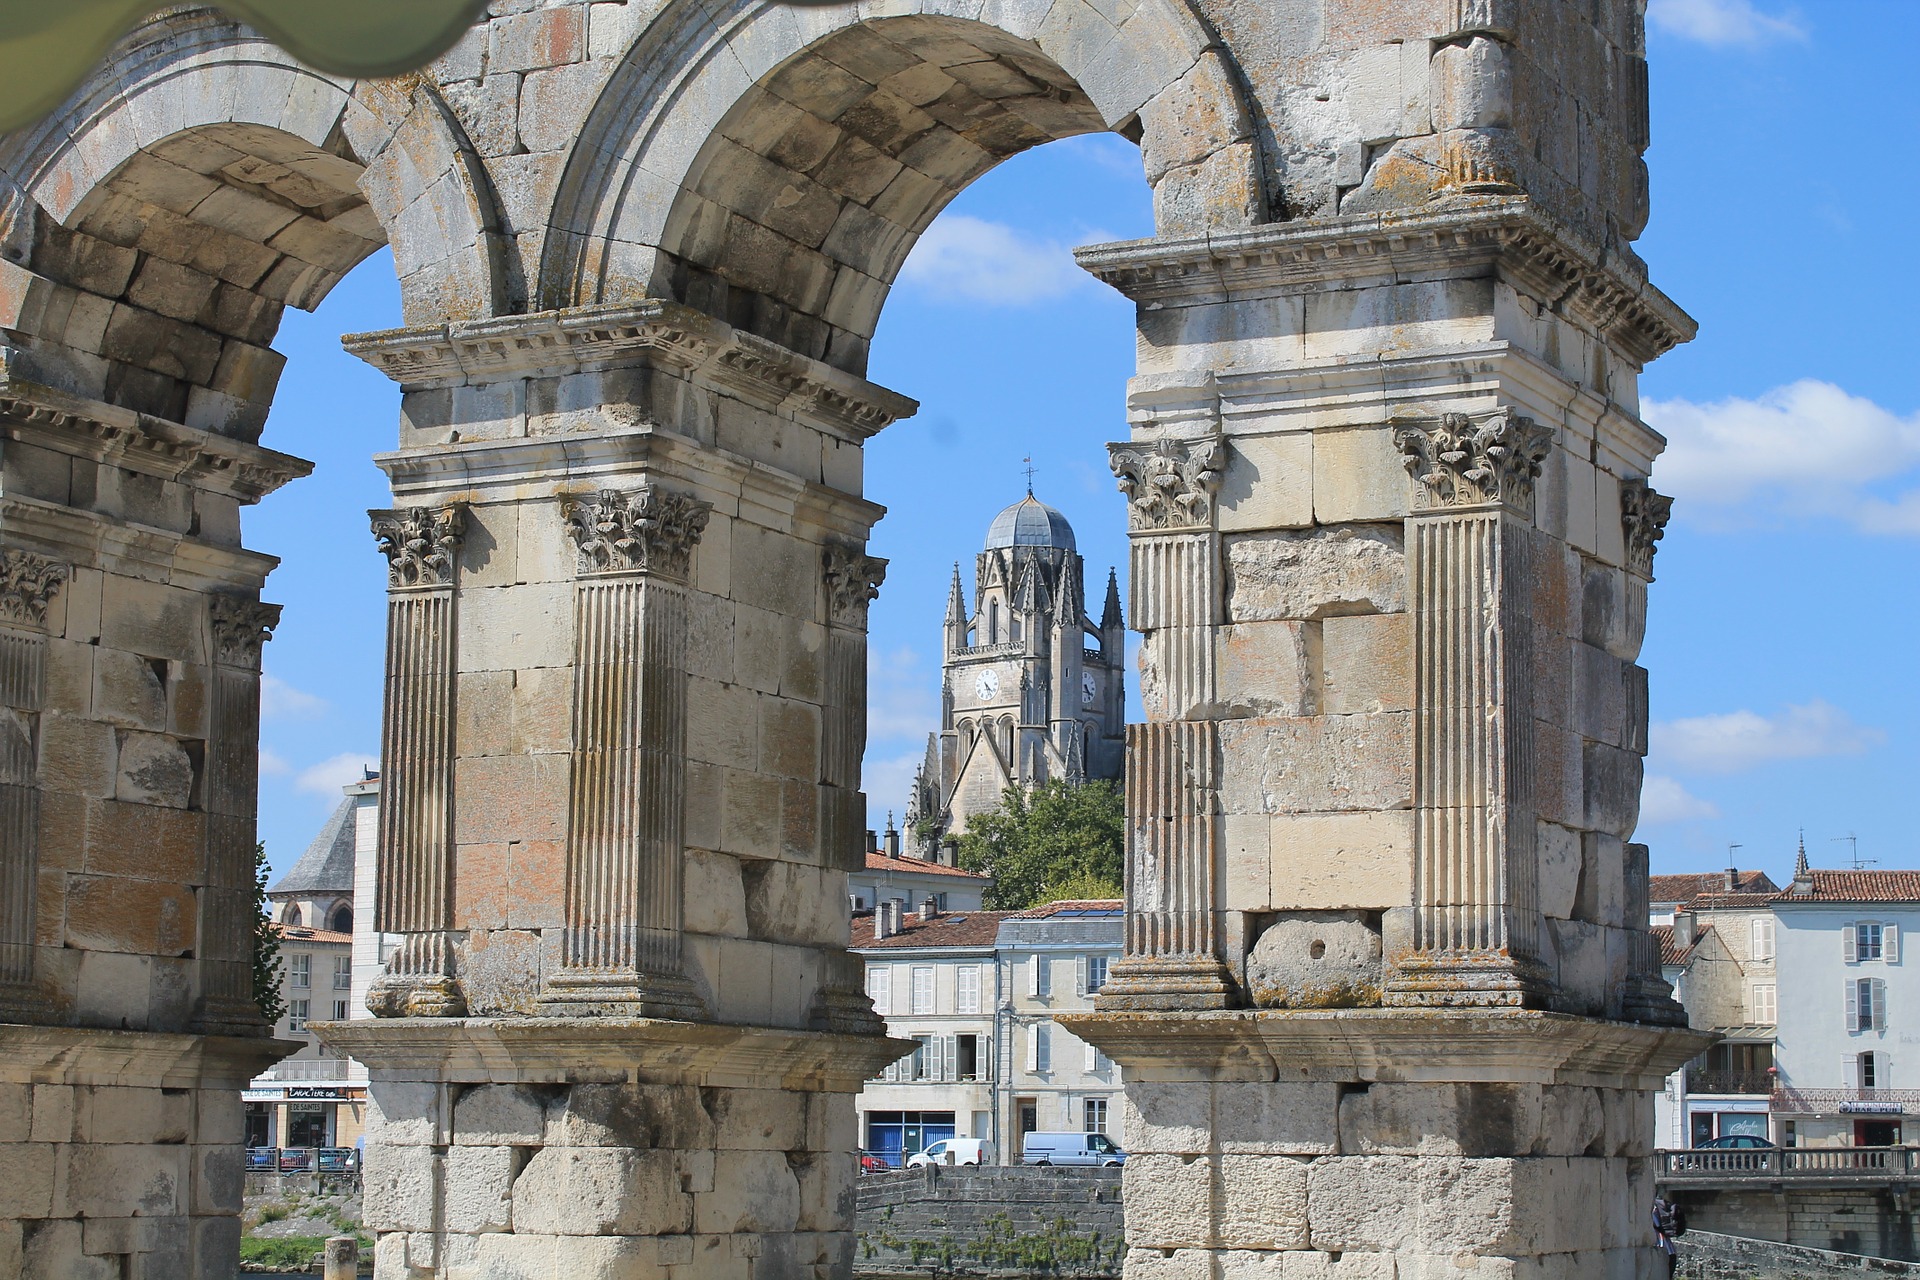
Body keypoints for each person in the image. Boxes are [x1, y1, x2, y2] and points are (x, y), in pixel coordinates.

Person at [1652, 1194, 1686, 1276]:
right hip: (1670, 1251)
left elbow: (1656, 1225)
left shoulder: (1652, 1208)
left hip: (1661, 1251)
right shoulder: (1659, 1205)